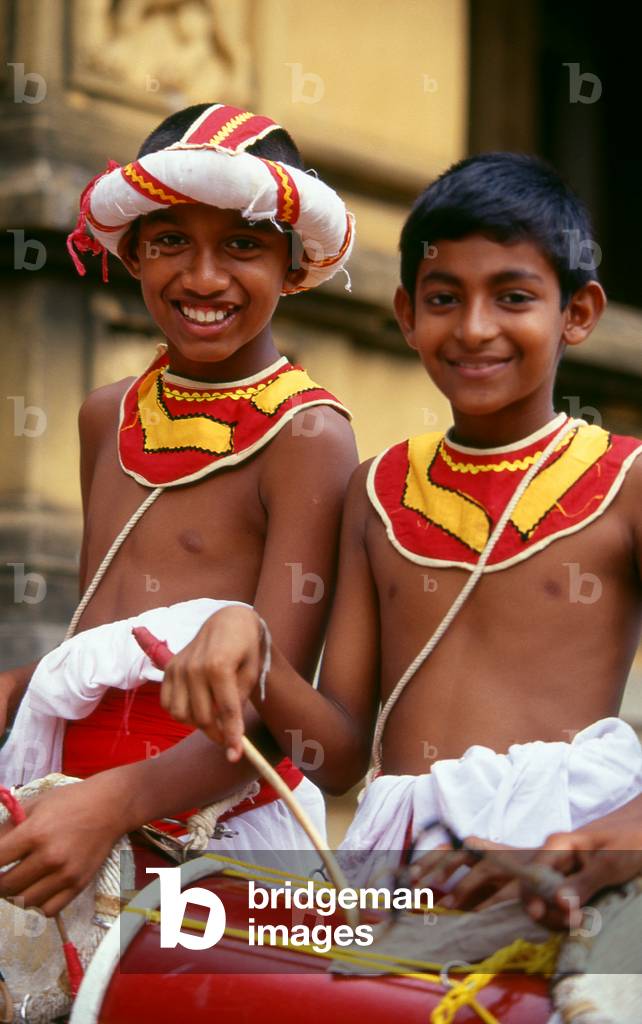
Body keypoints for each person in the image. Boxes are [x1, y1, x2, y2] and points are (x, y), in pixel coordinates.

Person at [158, 152, 642, 887]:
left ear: (577, 313)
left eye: (513, 298)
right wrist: (246, 638)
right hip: (396, 865)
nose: (475, 329)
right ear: (407, 315)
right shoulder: (377, 492)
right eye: (445, 299)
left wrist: (593, 850)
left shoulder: (626, 481)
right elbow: (341, 759)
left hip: (565, 856)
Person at [0, 102, 358, 915]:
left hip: (215, 823)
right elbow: (101, 647)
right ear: (130, 251)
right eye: (170, 242)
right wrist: (19, 686)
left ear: (295, 265)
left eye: (242, 245)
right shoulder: (107, 412)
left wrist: (114, 803)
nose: (202, 278)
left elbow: (273, 709)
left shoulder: (309, 435)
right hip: (73, 791)